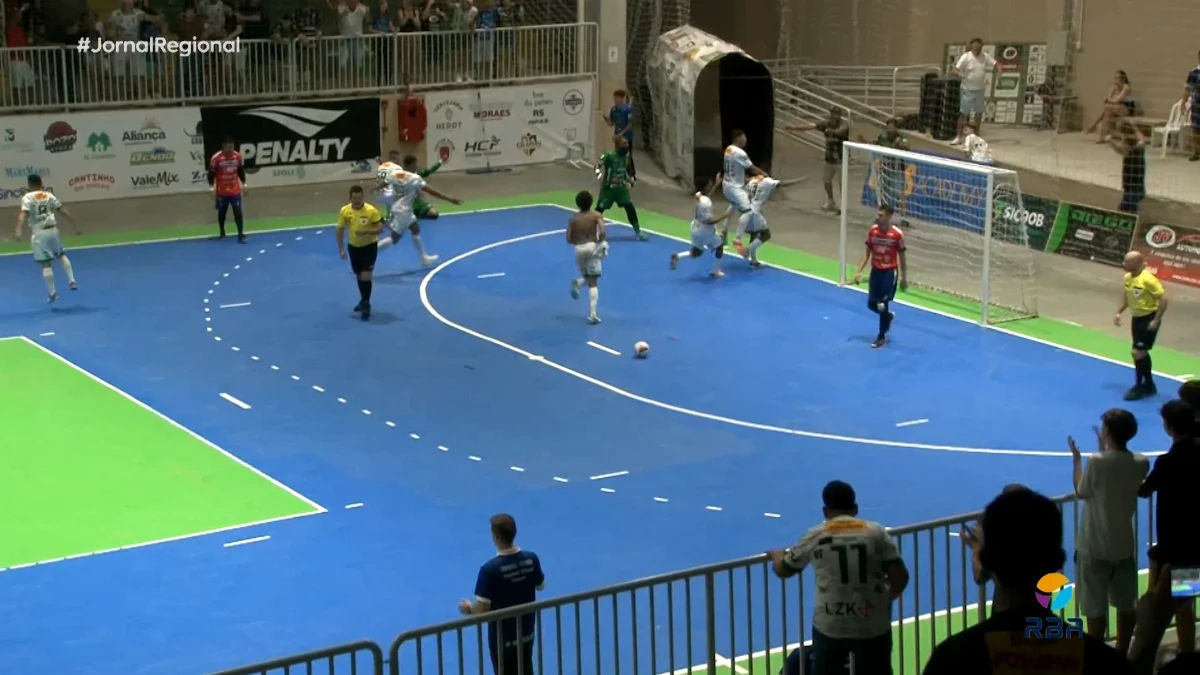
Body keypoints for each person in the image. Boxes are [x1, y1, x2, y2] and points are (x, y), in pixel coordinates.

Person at [921, 489, 1140, 675]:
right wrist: (1147, 638)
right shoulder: (1101, 661)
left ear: (989, 561)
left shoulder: (952, 660)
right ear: (1057, 563)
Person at [767, 480, 909, 675]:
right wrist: (886, 597)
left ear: (826, 511)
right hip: (872, 622)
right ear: (856, 508)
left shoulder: (816, 535)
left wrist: (777, 556)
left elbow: (784, 570)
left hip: (831, 624)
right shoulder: (876, 532)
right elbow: (900, 577)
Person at [1069, 408, 1149, 654]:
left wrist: (1077, 459)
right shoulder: (1141, 462)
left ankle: (1097, 658)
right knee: (1126, 605)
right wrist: (1105, 450)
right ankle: (1122, 652)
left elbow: (1082, 490)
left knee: (1095, 609)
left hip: (1094, 545)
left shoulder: (1097, 462)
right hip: (1123, 545)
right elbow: (1115, 472)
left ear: (1108, 432)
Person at [1138, 399, 1200, 656]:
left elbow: (1144, 490)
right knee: (1185, 603)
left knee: (1155, 611)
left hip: (1171, 549)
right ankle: (1186, 653)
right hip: (1193, 542)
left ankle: (1144, 659)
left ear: (1168, 427)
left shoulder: (1167, 462)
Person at [458, 514, 545, 675]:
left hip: (502, 639)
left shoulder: (489, 570)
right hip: (527, 631)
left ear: (495, 537)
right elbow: (541, 585)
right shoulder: (531, 559)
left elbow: (483, 609)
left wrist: (469, 609)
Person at [375, 165, 461, 266]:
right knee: (395, 238)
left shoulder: (395, 174)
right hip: (404, 211)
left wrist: (375, 188)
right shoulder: (415, 179)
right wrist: (450, 199)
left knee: (415, 229)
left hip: (399, 207)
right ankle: (370, 252)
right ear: (414, 166)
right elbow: (433, 192)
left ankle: (424, 257)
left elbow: (385, 183)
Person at [15, 174, 81, 303]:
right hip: (53, 230)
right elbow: (62, 210)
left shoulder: (27, 197)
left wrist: (18, 229)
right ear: (41, 183)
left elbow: (23, 214)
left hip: (40, 233)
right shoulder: (48, 195)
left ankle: (53, 293)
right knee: (61, 255)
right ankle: (72, 280)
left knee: (46, 264)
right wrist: (74, 224)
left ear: (29, 185)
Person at [1113, 251, 1167, 400]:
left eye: (1127, 262)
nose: (1123, 264)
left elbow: (1164, 298)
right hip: (1136, 318)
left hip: (1148, 318)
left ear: (1137, 263)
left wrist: (1156, 320)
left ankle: (1144, 385)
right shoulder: (1128, 277)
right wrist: (1119, 312)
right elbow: (1128, 296)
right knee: (1138, 352)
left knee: (1138, 352)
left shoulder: (1148, 280)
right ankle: (1144, 385)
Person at [852, 205, 908, 349]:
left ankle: (881, 336)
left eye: (881, 215)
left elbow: (902, 257)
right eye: (878, 214)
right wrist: (859, 271)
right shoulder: (873, 231)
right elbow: (867, 253)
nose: (878, 217)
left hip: (889, 273)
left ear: (889, 216)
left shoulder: (896, 234)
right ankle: (887, 317)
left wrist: (904, 278)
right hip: (875, 272)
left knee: (883, 304)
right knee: (872, 304)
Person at [785, 108, 850, 213]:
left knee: (842, 182)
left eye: (837, 114)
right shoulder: (826, 123)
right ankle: (830, 201)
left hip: (841, 158)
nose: (835, 116)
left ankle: (843, 204)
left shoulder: (844, 124)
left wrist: (830, 131)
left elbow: (841, 131)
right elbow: (811, 126)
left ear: (840, 115)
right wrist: (794, 127)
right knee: (826, 181)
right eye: (833, 114)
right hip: (829, 157)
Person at [336, 185, 385, 321]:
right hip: (354, 247)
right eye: (354, 198)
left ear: (363, 197)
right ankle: (363, 299)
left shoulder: (371, 211)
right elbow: (339, 229)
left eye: (359, 197)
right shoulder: (345, 211)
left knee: (366, 275)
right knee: (359, 275)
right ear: (350, 198)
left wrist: (367, 232)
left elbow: (381, 228)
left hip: (369, 247)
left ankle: (366, 304)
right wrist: (341, 248)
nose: (357, 200)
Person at [736, 174, 806, 268]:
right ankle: (746, 250)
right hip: (754, 213)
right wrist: (799, 180)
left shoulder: (750, 181)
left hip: (745, 211)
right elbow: (782, 184)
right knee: (766, 234)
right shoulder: (767, 182)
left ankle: (753, 261)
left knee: (754, 234)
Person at [670, 174, 730, 278]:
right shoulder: (705, 203)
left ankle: (678, 256)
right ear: (705, 186)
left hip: (695, 228)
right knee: (720, 245)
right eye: (709, 184)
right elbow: (709, 221)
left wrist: (716, 184)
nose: (710, 185)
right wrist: (725, 216)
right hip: (705, 231)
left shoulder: (698, 195)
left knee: (697, 252)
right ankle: (716, 271)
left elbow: (707, 197)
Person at [566, 190, 607, 324]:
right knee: (593, 282)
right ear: (591, 202)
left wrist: (578, 242)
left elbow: (568, 238)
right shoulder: (595, 215)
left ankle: (579, 282)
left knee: (588, 277)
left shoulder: (573, 219)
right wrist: (601, 241)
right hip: (591, 247)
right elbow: (602, 229)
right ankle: (593, 314)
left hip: (578, 249)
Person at [594, 136, 646, 241]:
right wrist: (599, 175)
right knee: (599, 211)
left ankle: (638, 231)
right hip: (608, 189)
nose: (626, 146)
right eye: (624, 144)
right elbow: (596, 166)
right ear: (617, 145)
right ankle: (593, 232)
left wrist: (629, 180)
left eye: (627, 143)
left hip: (621, 188)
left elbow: (623, 170)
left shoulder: (626, 156)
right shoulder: (608, 155)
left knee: (630, 208)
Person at [861, 119, 910, 227]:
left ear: (896, 128)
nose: (890, 129)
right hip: (884, 169)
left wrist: (899, 145)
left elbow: (907, 148)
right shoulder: (882, 137)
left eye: (892, 127)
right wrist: (865, 141)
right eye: (888, 127)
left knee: (899, 194)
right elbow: (876, 143)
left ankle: (903, 217)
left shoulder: (902, 138)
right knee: (883, 193)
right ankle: (882, 216)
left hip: (897, 170)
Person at [721, 129, 764, 248]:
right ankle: (738, 239)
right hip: (735, 188)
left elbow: (736, 167)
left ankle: (723, 233)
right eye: (744, 137)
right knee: (748, 211)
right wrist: (765, 176)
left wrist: (744, 179)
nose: (746, 140)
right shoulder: (740, 153)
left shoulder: (728, 149)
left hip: (727, 184)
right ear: (739, 138)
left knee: (733, 206)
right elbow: (752, 168)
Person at [951, 38, 996, 146]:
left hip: (979, 90)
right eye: (975, 45)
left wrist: (1000, 70)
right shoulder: (965, 57)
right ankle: (958, 136)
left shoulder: (985, 57)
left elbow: (996, 64)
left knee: (978, 114)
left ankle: (976, 136)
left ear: (981, 46)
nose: (977, 47)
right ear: (971, 46)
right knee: (963, 114)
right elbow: (955, 70)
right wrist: (959, 74)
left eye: (979, 46)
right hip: (967, 90)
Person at [208, 136, 247, 243]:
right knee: (222, 213)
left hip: (235, 191)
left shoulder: (237, 156)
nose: (231, 149)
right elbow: (211, 174)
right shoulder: (216, 158)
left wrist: (244, 183)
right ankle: (222, 232)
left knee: (238, 212)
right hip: (222, 191)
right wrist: (212, 187)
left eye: (232, 147)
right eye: (229, 147)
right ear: (223, 146)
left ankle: (240, 234)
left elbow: (240, 170)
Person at [1110, 122, 1147, 214]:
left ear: (1126, 143)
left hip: (1131, 191)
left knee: (1128, 213)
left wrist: (1109, 140)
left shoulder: (1128, 153)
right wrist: (1134, 127)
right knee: (1124, 210)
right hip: (1139, 188)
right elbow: (1142, 138)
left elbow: (1118, 148)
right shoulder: (1140, 149)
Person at [604, 89, 636, 183]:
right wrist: (606, 120)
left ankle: (631, 175)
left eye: (618, 98)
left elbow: (630, 124)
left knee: (627, 155)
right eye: (615, 98)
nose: (616, 100)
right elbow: (611, 123)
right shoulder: (613, 109)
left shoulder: (627, 109)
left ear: (622, 98)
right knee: (618, 155)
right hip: (617, 137)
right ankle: (620, 174)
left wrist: (620, 134)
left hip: (626, 136)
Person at [401, 154, 444, 221]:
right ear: (410, 165)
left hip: (418, 203)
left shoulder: (416, 175)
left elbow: (429, 171)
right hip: (406, 204)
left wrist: (440, 161)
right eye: (415, 164)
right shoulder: (399, 176)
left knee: (434, 214)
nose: (416, 166)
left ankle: (416, 216)